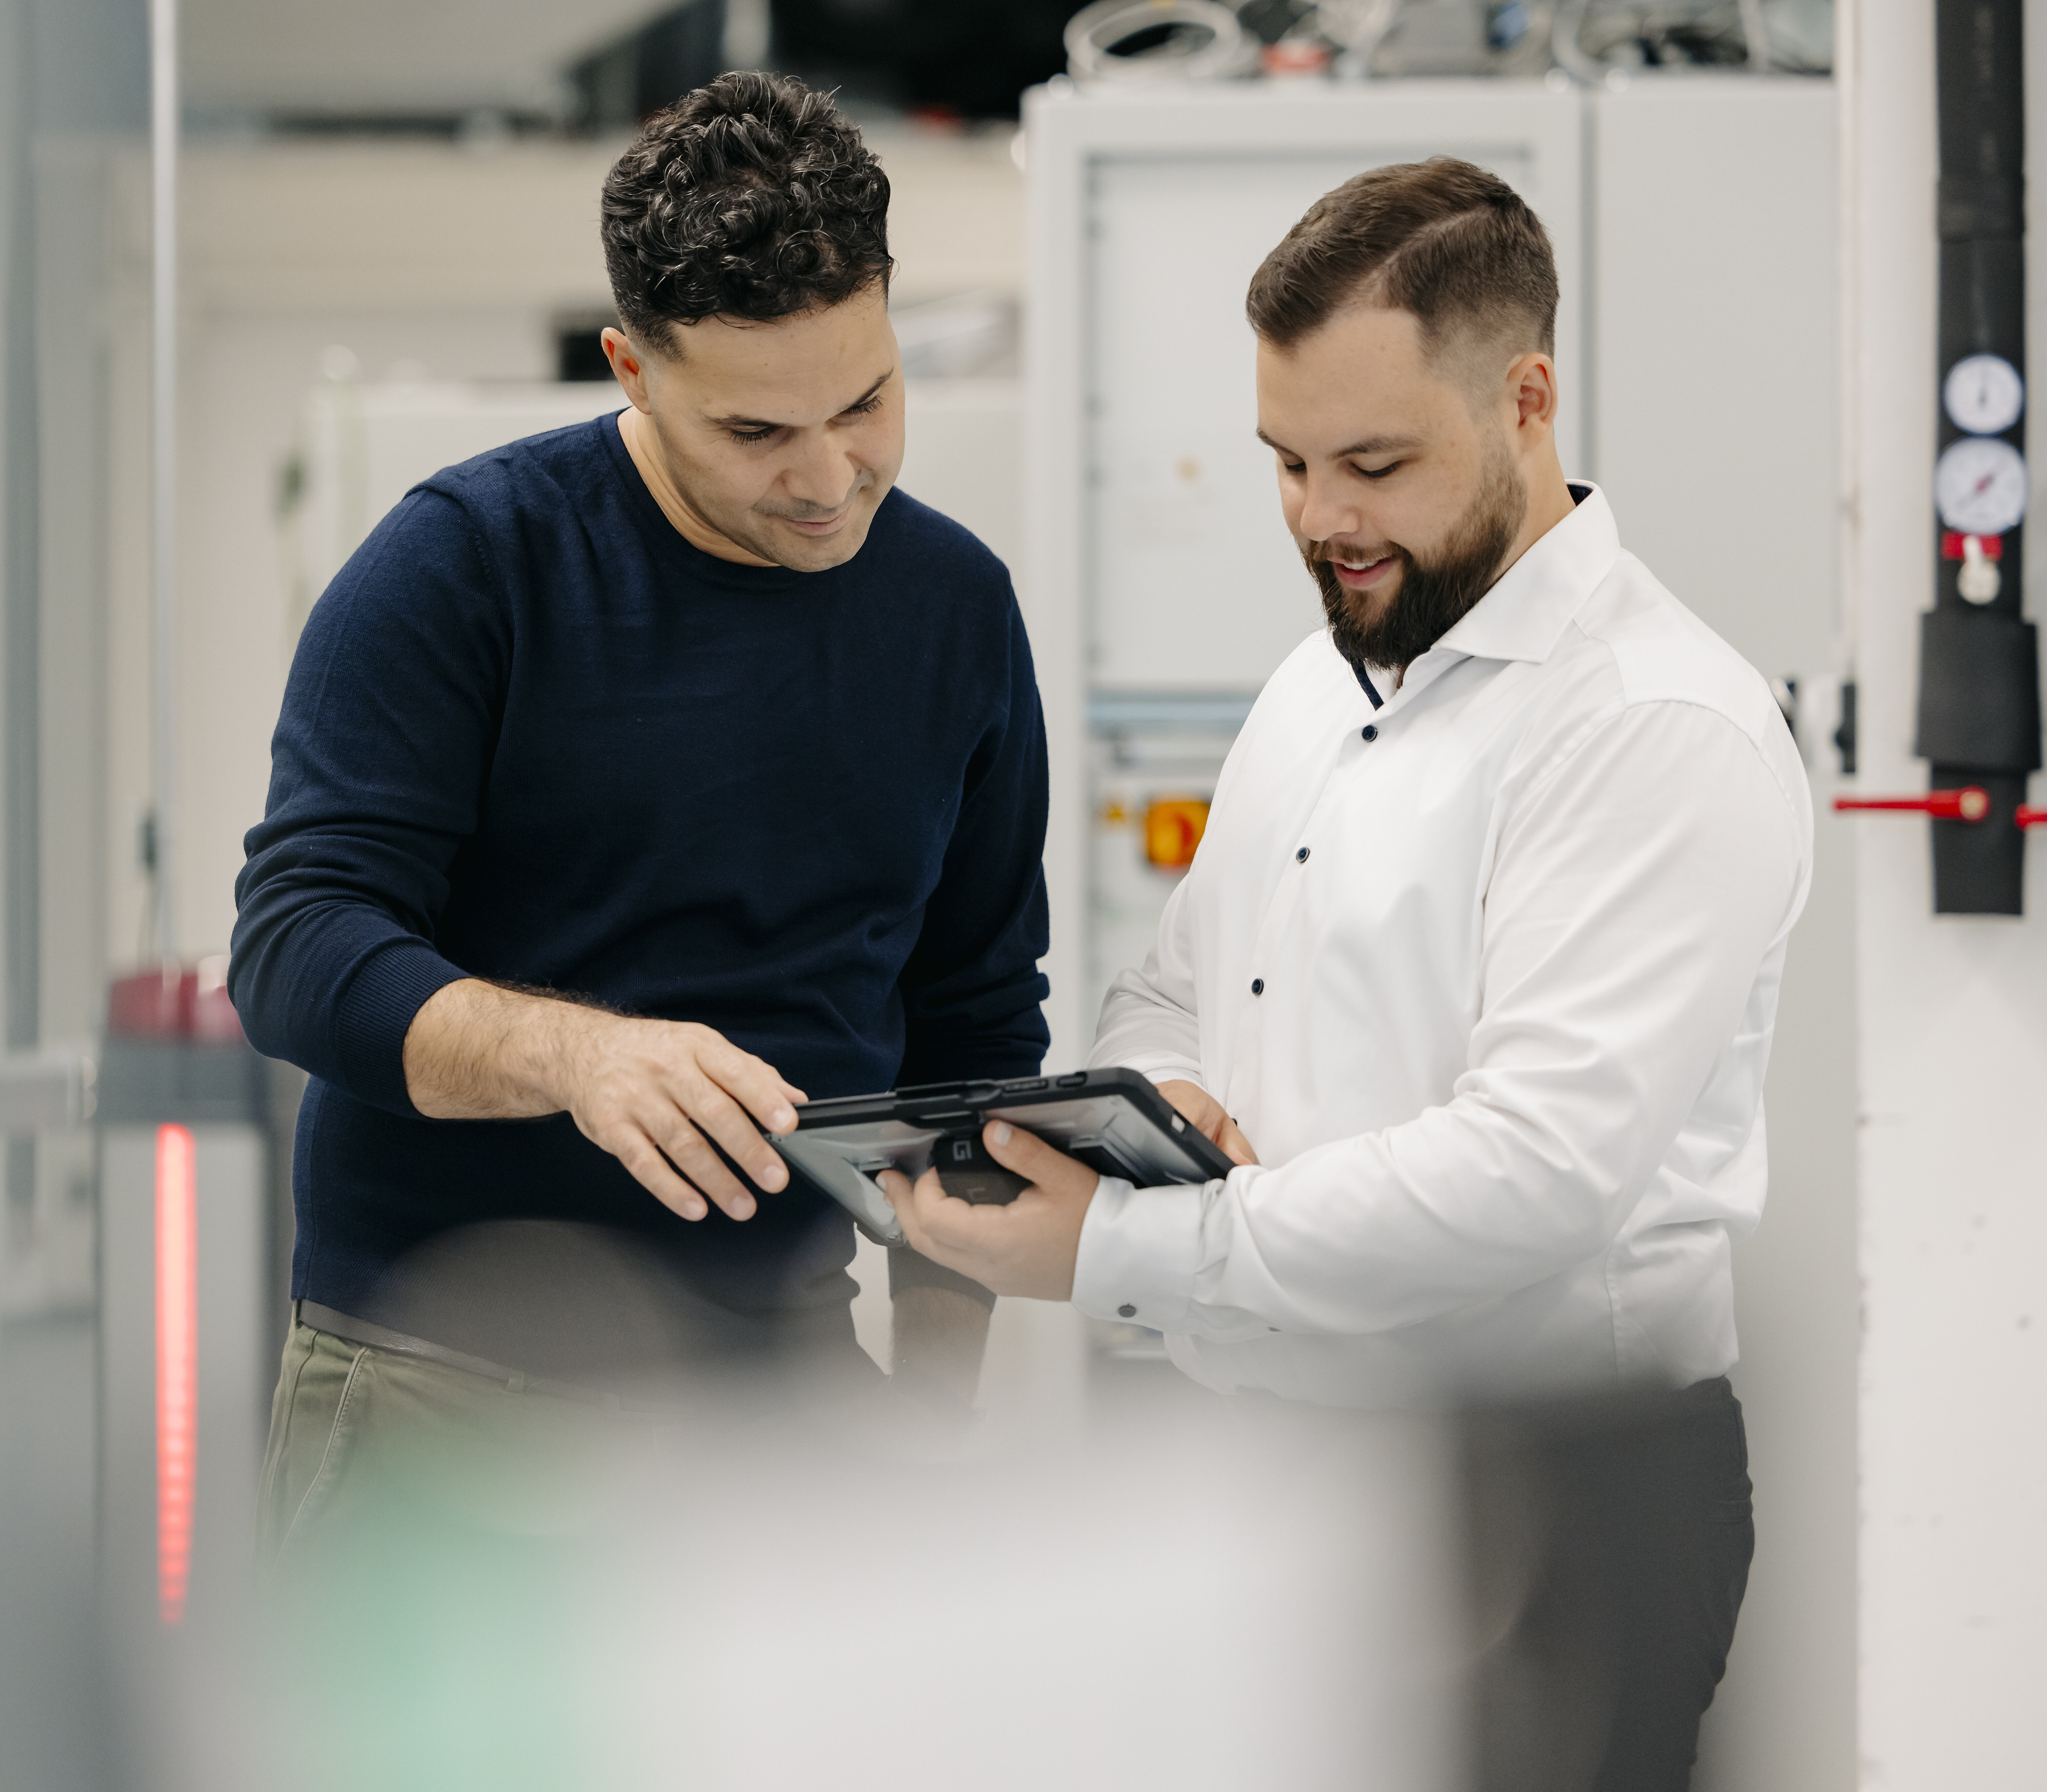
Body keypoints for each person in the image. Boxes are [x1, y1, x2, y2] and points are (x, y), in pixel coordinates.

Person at [883, 158, 1811, 1788]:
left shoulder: (1654, 723)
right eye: (1288, 463)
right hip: (1265, 1463)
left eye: (1373, 463)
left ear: (1526, 401)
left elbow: (1534, 1172)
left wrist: (1128, 1245)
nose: (1322, 519)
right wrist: (1154, 1099)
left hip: (1544, 1491)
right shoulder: (1314, 690)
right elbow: (1171, 988)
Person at [232, 72, 1049, 1565]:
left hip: (799, 1399)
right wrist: (577, 1055)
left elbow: (975, 1028)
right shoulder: (461, 569)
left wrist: (933, 1409)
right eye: (753, 430)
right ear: (628, 367)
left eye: (865, 401)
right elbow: (297, 948)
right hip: (447, 1389)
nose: (825, 478)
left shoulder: (956, 610)